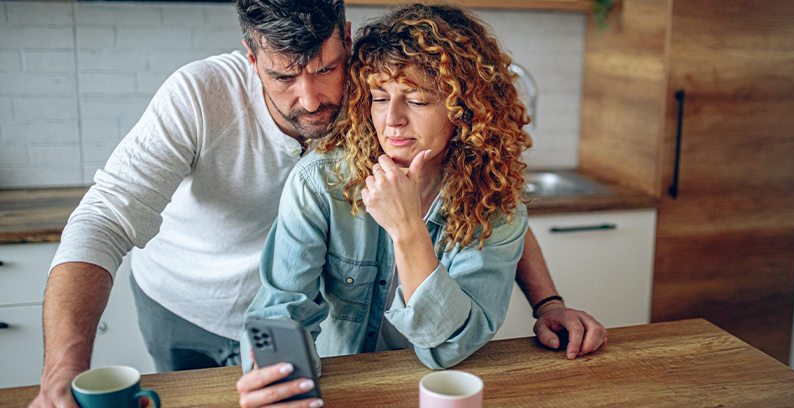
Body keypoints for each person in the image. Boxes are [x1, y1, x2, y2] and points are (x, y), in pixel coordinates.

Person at [30, 1, 606, 407]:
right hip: (189, 303)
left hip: (367, 347)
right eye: (284, 76)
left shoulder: (385, 76)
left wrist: (547, 300)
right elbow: (105, 217)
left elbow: (487, 199)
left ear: (347, 42)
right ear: (252, 58)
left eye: (326, 69)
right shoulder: (204, 99)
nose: (311, 97)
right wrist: (62, 367)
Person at [235, 4, 586, 408]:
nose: (393, 120)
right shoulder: (319, 183)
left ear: (464, 111)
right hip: (338, 389)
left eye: (417, 101)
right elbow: (282, 310)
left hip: (433, 393)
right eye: (380, 98)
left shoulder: (494, 206)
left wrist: (408, 232)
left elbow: (451, 348)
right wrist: (284, 381)